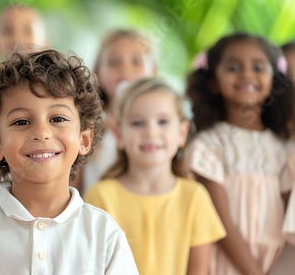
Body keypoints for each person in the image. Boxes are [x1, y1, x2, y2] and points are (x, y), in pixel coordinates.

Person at [0, 49, 139, 274]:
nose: (42, 133)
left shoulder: (105, 235)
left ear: (84, 139)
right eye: (21, 121)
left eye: (57, 119)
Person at [84, 78, 226, 275]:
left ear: (182, 132)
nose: (151, 131)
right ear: (119, 135)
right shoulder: (100, 197)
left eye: (163, 121)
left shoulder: (195, 197)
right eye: (137, 122)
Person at [185, 32, 295, 275]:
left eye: (258, 67)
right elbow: (221, 223)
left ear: (274, 80)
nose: (246, 74)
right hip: (225, 264)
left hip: (276, 266)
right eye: (233, 67)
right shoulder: (208, 145)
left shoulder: (284, 148)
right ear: (213, 81)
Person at [78, 29, 158, 193]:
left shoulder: (160, 127)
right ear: (98, 72)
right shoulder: (87, 124)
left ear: (153, 72)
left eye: (136, 61)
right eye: (114, 62)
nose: (125, 69)